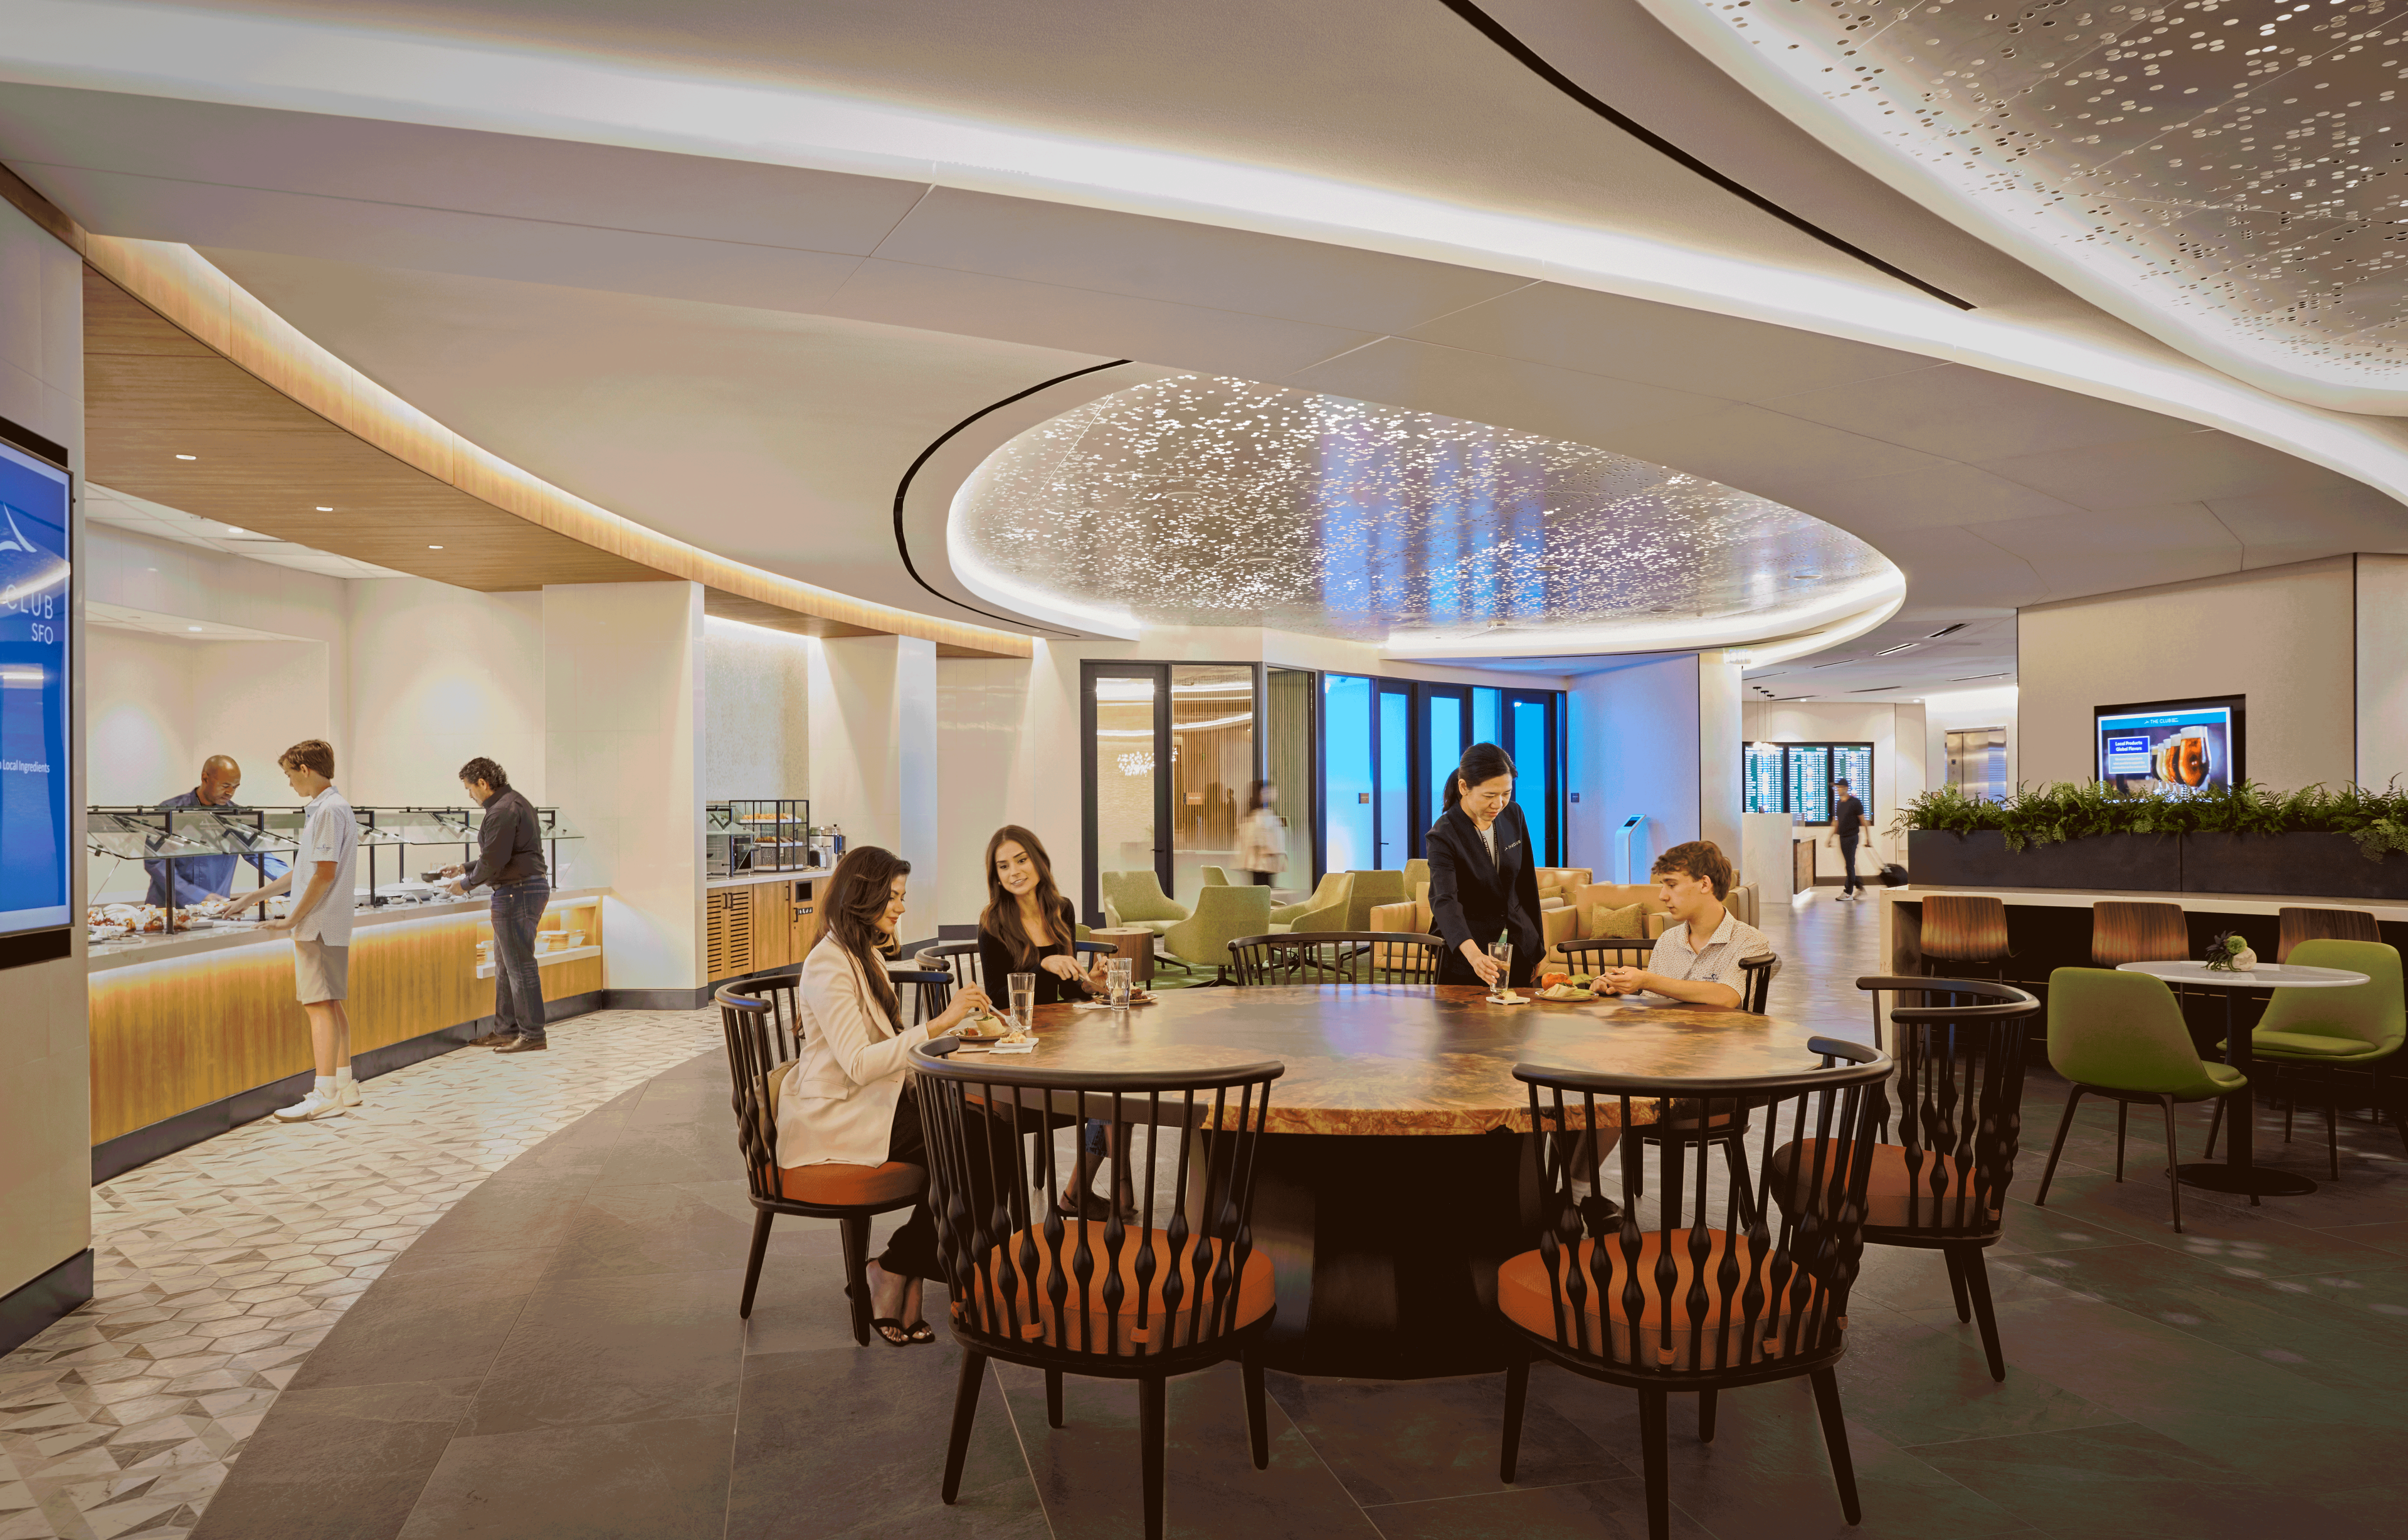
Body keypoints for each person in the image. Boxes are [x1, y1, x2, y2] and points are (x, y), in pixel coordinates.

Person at [777, 845, 991, 1346]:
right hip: (838, 1112)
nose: (900, 908)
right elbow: (857, 1064)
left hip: (874, 1100)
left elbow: (882, 1051)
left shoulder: (863, 955)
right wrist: (939, 1025)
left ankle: (898, 1266)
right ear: (861, 898)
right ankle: (903, 1270)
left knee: (990, 1132)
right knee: (975, 1142)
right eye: (891, 897)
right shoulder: (829, 965)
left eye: (901, 897)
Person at [980, 826, 1120, 1218]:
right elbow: (997, 1000)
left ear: (1038, 861)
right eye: (1003, 866)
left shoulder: (1062, 908)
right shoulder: (993, 921)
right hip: (1018, 1048)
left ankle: (1077, 1191)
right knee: (1106, 1100)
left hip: (1060, 1040)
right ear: (997, 876)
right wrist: (1039, 963)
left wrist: (1091, 983)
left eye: (1021, 860)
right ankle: (1099, 1194)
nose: (1014, 872)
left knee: (1115, 1091)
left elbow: (1071, 993)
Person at [255, 740, 361, 1121]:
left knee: (318, 1005)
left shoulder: (330, 811)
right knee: (330, 1003)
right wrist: (255, 895)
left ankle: (325, 1092)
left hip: (318, 924)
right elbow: (304, 871)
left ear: (304, 769)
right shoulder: (330, 809)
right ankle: (345, 1084)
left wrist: (291, 919)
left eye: (289, 775)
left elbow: (324, 874)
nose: (289, 784)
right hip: (325, 923)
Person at [438, 757, 551, 1052]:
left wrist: (464, 885)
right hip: (524, 890)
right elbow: (503, 853)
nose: (470, 796)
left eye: (470, 789)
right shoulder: (516, 802)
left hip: (516, 893)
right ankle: (506, 1030)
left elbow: (494, 860)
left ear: (483, 784)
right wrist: (464, 868)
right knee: (505, 965)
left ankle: (532, 1035)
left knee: (520, 967)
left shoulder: (500, 810)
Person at [1590, 840, 1772, 1008]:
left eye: (1672, 885)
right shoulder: (1667, 939)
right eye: (1663, 885)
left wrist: (1646, 980)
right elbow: (1651, 1004)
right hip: (1664, 1039)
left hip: (1722, 1042)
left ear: (1704, 884)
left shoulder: (1749, 941)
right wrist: (1615, 985)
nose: (1662, 896)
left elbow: (1727, 997)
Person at [1426, 742, 1545, 990]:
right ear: (1464, 788)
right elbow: (1445, 901)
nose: (1499, 804)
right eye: (1489, 796)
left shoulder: (1514, 815)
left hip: (1518, 945)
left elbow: (1526, 885)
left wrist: (1538, 947)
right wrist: (1474, 956)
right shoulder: (1444, 835)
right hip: (1468, 954)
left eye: (1506, 793)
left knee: (1519, 1024)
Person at [141, 754, 288, 907]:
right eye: (225, 786)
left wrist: (295, 881)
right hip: (168, 909)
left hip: (215, 909)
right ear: (205, 778)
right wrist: (198, 896)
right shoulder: (168, 811)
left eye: (235, 787)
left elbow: (261, 855)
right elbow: (155, 863)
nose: (230, 792)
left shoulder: (236, 816)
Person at [1233, 780, 1287, 886]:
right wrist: (1272, 849)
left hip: (1264, 864)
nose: (1273, 792)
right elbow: (1258, 839)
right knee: (1263, 894)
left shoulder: (1263, 814)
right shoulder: (1260, 816)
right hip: (1262, 864)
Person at [1830, 778, 1867, 900]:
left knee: (1849, 865)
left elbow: (1863, 821)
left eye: (1840, 787)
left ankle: (1848, 892)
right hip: (1842, 837)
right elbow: (1837, 822)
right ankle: (1860, 888)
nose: (1838, 789)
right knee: (1849, 864)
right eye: (1837, 787)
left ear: (1846, 788)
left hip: (1852, 837)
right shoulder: (1839, 803)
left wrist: (1869, 839)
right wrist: (1831, 837)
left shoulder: (1856, 802)